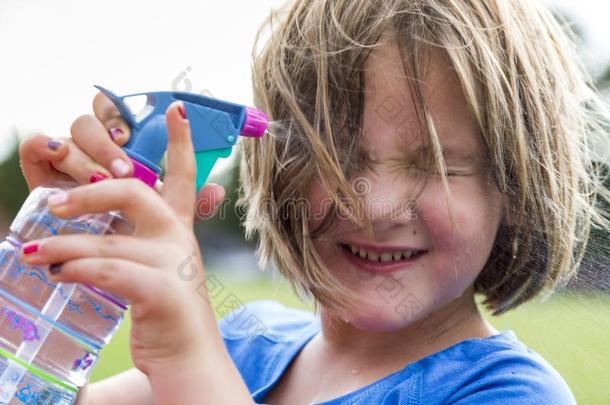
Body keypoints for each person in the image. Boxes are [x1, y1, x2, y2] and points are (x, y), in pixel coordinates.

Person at [17, 0, 609, 403]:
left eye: (438, 163)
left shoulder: (509, 394)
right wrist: (51, 280)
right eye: (337, 156)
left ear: (516, 189)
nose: (375, 204)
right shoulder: (250, 343)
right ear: (280, 172)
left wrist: (185, 361)